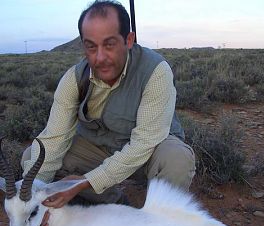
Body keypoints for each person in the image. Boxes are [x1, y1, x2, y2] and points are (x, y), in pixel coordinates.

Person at [22, 0, 195, 210]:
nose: (100, 57)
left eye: (109, 44)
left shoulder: (155, 71)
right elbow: (54, 140)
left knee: (177, 159)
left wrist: (85, 182)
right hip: (101, 148)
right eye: (91, 46)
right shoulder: (74, 79)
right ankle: (116, 204)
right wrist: (32, 195)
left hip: (147, 151)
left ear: (128, 40)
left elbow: (144, 143)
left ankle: (160, 223)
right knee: (34, 156)